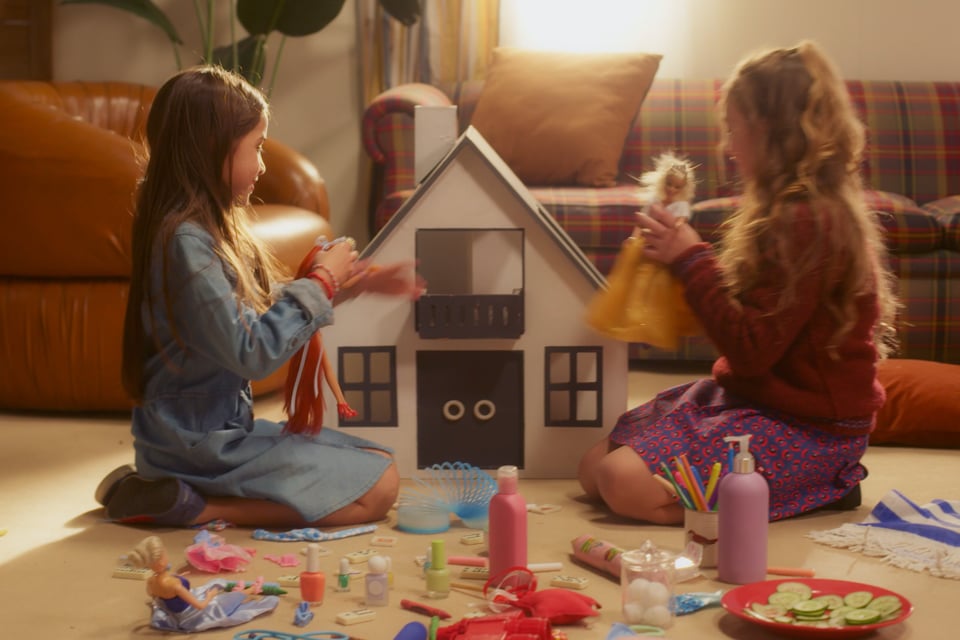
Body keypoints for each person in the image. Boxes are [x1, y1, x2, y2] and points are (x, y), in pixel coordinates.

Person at [578, 41, 899, 524]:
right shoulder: (780, 211)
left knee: (622, 484)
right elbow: (739, 322)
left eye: (735, 129)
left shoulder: (809, 222)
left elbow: (751, 348)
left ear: (771, 132)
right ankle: (792, 484)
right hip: (752, 397)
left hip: (811, 427)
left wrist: (690, 259)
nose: (728, 147)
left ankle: (822, 483)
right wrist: (672, 261)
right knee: (592, 471)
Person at [98, 65, 424, 529]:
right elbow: (251, 350)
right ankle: (196, 506)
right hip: (200, 446)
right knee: (380, 487)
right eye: (257, 147)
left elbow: (252, 314)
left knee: (376, 460)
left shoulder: (193, 232)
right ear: (213, 147)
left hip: (203, 437)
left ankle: (158, 488)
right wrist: (320, 283)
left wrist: (350, 284)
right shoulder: (185, 243)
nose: (263, 164)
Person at [125, 535, 277, 631]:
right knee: (227, 600)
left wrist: (176, 579)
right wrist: (210, 596)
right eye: (164, 553)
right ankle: (251, 590)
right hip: (192, 614)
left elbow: (155, 596)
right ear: (160, 561)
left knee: (215, 583)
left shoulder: (151, 580)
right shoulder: (174, 585)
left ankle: (244, 590)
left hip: (177, 607)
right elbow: (200, 606)